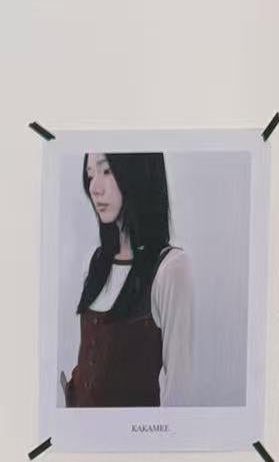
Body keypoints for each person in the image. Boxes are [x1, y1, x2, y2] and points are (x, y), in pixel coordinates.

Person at [62, 151, 194, 407]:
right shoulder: (97, 260)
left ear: (138, 172)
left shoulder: (170, 267)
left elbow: (179, 393)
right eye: (90, 175)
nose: (94, 188)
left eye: (106, 171)